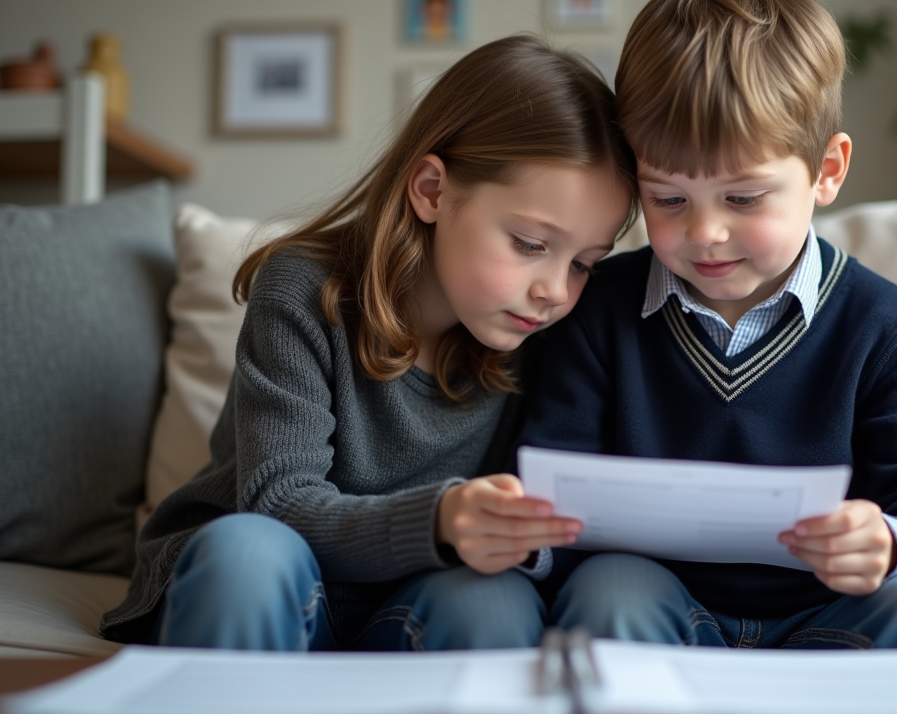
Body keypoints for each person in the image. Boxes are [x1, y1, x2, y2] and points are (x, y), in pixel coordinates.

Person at [518, 0, 897, 655]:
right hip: (665, 617)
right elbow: (556, 491)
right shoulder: (597, 311)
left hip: (835, 620)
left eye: (744, 198)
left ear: (827, 171)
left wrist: (888, 544)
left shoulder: (886, 327)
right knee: (609, 589)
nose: (704, 234)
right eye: (668, 200)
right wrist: (522, 537)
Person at [99, 35, 635, 652]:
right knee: (246, 552)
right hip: (269, 583)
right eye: (531, 244)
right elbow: (279, 504)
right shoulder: (303, 288)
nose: (554, 291)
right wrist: (441, 518)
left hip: (406, 605)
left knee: (495, 601)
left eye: (584, 263)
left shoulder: (552, 333)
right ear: (432, 191)